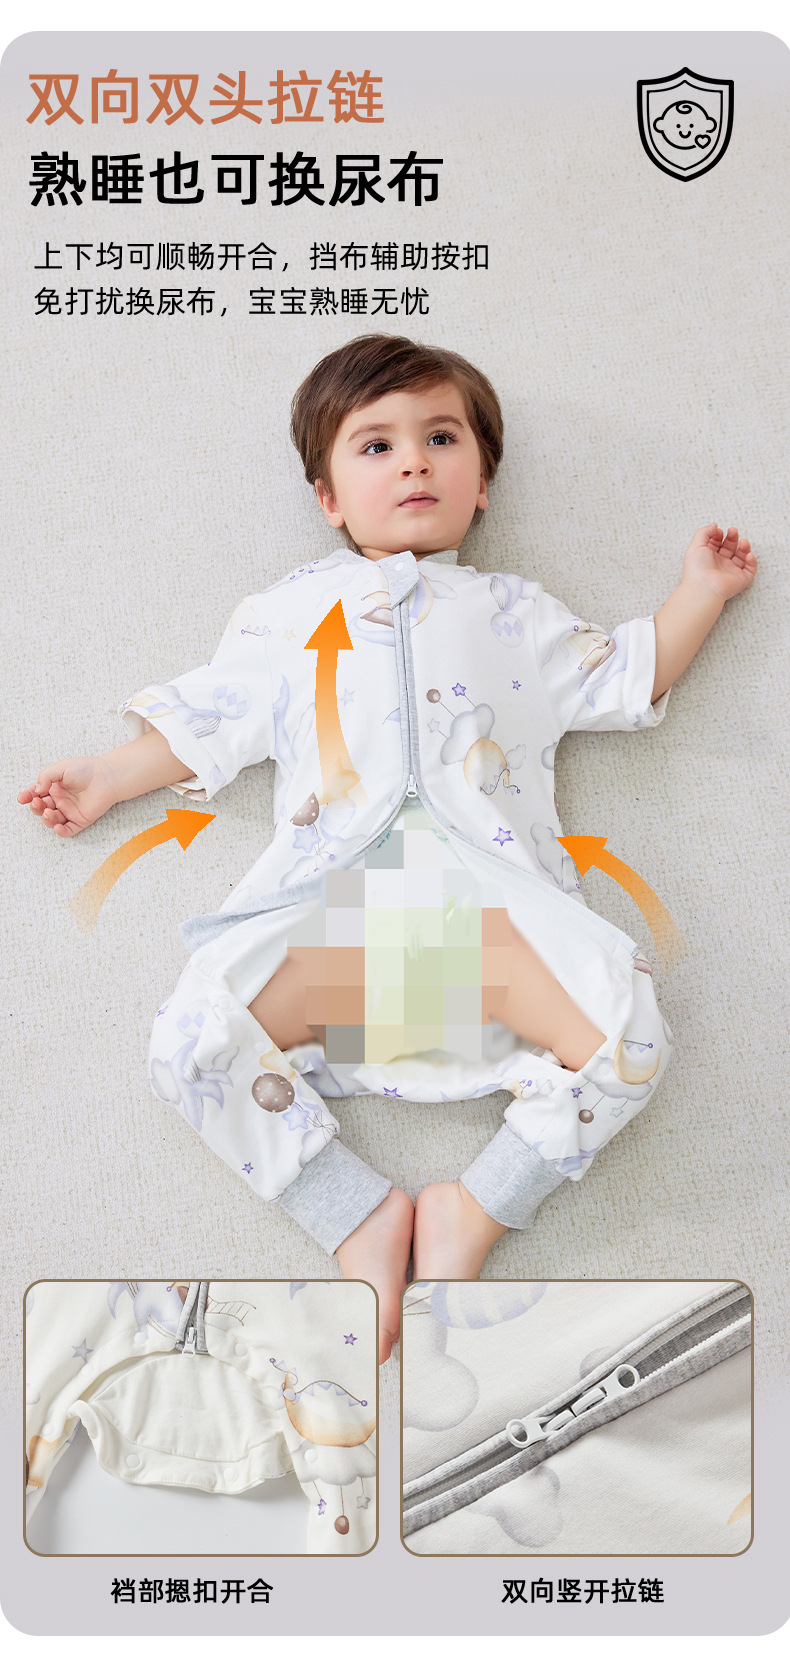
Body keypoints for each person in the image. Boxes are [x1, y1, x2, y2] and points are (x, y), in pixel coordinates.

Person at [18, 335, 757, 1363]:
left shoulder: (516, 613)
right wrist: (107, 775)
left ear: (482, 483)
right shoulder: (288, 612)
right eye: (377, 446)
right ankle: (354, 1214)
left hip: (494, 927)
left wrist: (700, 594)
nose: (413, 461)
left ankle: (475, 1209)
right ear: (328, 498)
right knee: (187, 1041)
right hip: (339, 920)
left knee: (636, 1037)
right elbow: (215, 717)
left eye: (441, 439)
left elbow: (627, 675)